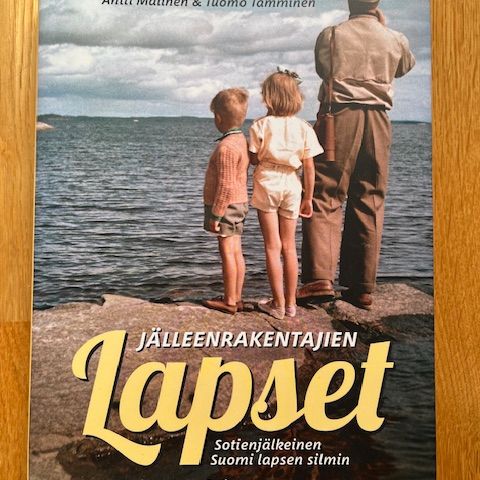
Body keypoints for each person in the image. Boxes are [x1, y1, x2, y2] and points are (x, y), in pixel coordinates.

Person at [299, 0, 416, 310]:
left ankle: (319, 279)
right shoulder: (395, 38)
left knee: (325, 193)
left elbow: (323, 68)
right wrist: (382, 26)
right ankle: (361, 287)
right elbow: (404, 67)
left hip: (338, 117)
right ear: (376, 5)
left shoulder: (332, 35)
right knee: (370, 197)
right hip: (378, 119)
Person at [250, 70, 323, 320]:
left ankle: (277, 304)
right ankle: (291, 304)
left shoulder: (260, 125)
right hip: (292, 182)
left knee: (272, 247)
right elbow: (310, 167)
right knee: (289, 246)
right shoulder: (304, 127)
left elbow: (253, 158)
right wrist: (308, 198)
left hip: (267, 181)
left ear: (268, 98)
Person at [202, 88, 250, 315]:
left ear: (219, 118)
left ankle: (230, 300)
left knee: (228, 253)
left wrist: (216, 214)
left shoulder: (226, 147)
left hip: (227, 206)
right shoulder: (240, 140)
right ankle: (236, 296)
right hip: (239, 203)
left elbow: (225, 186)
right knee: (236, 251)